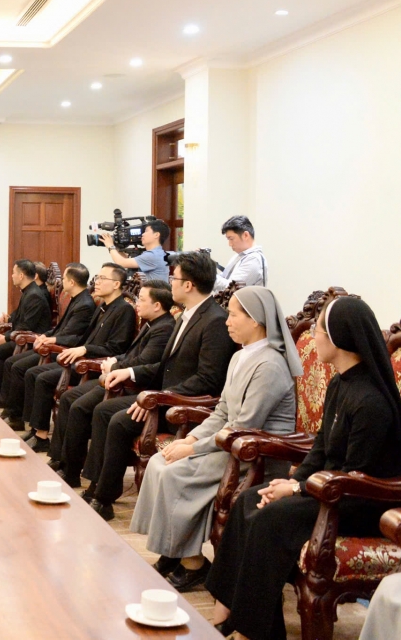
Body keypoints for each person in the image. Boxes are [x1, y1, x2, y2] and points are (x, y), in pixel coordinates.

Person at [206, 297, 401, 640]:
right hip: (328, 488)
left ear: (339, 338)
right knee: (249, 501)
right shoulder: (341, 383)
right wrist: (291, 482)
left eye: (320, 331)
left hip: (361, 500)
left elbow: (357, 475)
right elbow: (320, 449)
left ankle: (253, 633)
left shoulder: (371, 401)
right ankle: (227, 612)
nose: (314, 337)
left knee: (272, 518)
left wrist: (295, 491)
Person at [130, 286, 298, 591]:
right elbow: (222, 411)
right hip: (230, 442)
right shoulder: (241, 357)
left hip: (255, 454)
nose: (227, 321)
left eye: (233, 315)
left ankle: (193, 563)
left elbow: (246, 425)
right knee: (159, 461)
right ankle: (173, 549)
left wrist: (193, 448)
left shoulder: (270, 364)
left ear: (256, 320)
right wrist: (189, 440)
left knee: (176, 473)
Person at [83, 251, 238, 520]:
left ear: (188, 285)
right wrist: (130, 374)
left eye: (174, 278)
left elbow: (208, 380)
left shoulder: (214, 321)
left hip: (185, 407)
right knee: (103, 410)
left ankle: (104, 498)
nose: (171, 283)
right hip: (164, 398)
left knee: (120, 421)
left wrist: (159, 398)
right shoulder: (186, 315)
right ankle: (98, 485)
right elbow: (164, 366)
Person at [50, 278, 172, 482]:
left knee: (86, 409)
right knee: (71, 398)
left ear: (157, 305)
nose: (137, 304)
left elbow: (144, 363)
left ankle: (75, 473)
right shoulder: (151, 323)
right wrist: (115, 361)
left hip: (132, 386)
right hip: (118, 378)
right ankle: (64, 463)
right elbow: (131, 354)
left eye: (141, 300)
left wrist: (114, 367)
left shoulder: (164, 327)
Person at [0, 263, 97, 447]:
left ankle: (37, 431)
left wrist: (51, 340)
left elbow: (73, 336)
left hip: (66, 351)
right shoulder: (76, 298)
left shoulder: (85, 304)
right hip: (57, 345)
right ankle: (32, 427)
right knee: (20, 367)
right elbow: (60, 328)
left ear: (72, 282)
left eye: (64, 279)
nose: (60, 282)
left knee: (31, 372)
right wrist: (46, 336)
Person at [0, 260, 52, 401]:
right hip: (19, 333)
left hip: (29, 339)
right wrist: (8, 319)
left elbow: (27, 326)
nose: (12, 275)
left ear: (21, 275)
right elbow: (20, 316)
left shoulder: (34, 295)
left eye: (14, 272)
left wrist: (7, 337)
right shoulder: (28, 291)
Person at [102, 218, 170, 282]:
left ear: (156, 235)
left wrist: (110, 246)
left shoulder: (153, 255)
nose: (142, 234)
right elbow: (128, 260)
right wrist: (116, 247)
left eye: (146, 231)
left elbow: (121, 262)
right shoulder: (158, 253)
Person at [214, 215, 267, 291]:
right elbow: (223, 278)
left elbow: (231, 289)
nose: (230, 244)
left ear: (245, 235)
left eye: (231, 239)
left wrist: (207, 276)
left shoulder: (254, 259)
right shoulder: (239, 256)